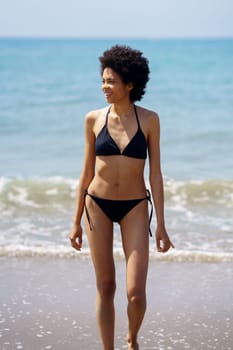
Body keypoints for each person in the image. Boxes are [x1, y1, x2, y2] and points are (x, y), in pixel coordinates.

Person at [69, 45, 174, 350]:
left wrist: (163, 226)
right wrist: (75, 222)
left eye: (111, 81)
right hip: (97, 205)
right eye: (103, 80)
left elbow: (155, 175)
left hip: (135, 207)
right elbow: (86, 172)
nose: (105, 86)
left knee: (135, 294)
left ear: (130, 84)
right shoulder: (93, 119)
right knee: (105, 285)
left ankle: (132, 337)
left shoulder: (150, 120)